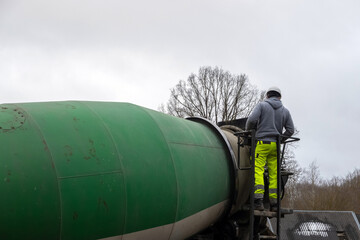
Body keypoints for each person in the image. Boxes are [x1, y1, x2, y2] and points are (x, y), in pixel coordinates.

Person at [245, 86, 294, 211]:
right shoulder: (285, 111)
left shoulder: (262, 106)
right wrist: (281, 139)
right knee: (274, 174)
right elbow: (290, 130)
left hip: (262, 143)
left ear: (267, 95)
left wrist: (249, 132)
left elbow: (252, 120)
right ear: (279, 97)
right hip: (275, 146)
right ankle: (274, 204)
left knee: (258, 170)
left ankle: (258, 201)